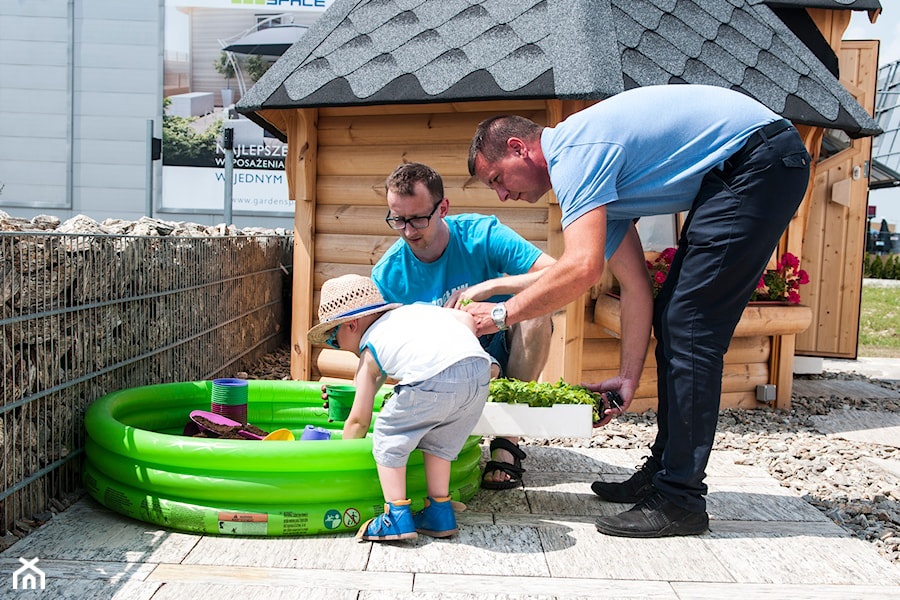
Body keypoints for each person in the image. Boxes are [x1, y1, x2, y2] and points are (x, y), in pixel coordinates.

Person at [464, 84, 811, 537]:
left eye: (497, 180)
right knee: (675, 314)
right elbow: (633, 286)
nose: (501, 197)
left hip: (758, 161)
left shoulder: (575, 152)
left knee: (690, 326)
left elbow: (581, 269)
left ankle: (680, 499)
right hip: (744, 168)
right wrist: (628, 376)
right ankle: (665, 475)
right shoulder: (591, 177)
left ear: (519, 149)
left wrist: (496, 315)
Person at [371, 162, 556, 490]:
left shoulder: (481, 234)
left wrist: (488, 294)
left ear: (443, 208)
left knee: (537, 310)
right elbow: (383, 352)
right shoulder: (387, 275)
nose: (408, 231)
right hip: (440, 368)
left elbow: (557, 273)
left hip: (499, 345)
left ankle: (506, 442)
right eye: (397, 219)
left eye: (417, 219)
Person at [307, 274, 491, 542]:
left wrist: (342, 460)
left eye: (333, 340)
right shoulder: (412, 313)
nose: (338, 347)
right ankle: (439, 512)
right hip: (478, 371)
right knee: (438, 442)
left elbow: (359, 420)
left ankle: (396, 517)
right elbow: (465, 320)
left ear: (352, 325)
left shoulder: (370, 352)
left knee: (388, 432)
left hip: (434, 375)